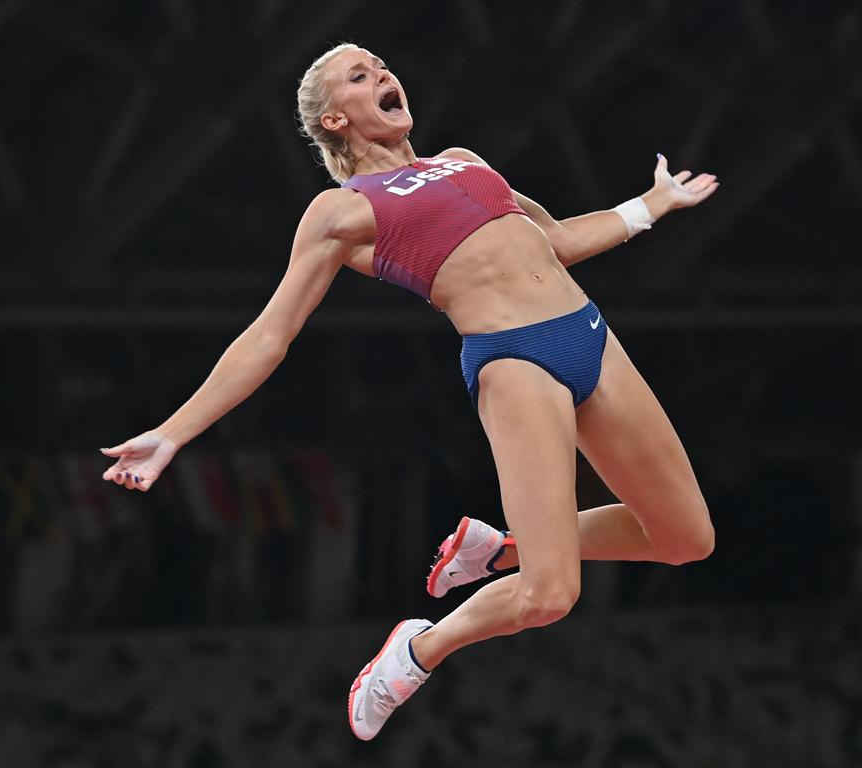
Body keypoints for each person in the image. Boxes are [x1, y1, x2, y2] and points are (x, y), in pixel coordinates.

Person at [100, 42, 719, 741]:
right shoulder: (342, 211)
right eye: (360, 77)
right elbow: (269, 336)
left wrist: (652, 205)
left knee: (685, 538)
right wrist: (174, 432)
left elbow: (553, 241)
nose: (385, 76)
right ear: (335, 119)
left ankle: (502, 547)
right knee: (551, 596)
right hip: (517, 363)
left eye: (383, 66)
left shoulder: (465, 161)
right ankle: (417, 650)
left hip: (590, 335)